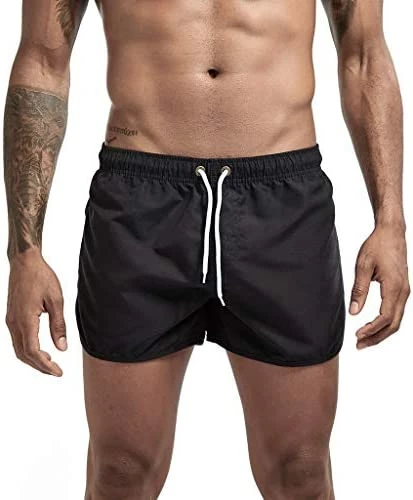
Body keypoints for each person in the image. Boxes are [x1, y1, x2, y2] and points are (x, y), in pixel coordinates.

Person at [3, 1, 410, 498]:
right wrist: (25, 252)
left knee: (300, 471)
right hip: (141, 203)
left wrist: (390, 221)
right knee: (121, 472)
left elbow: (364, 54)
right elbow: (43, 61)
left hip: (282, 202)